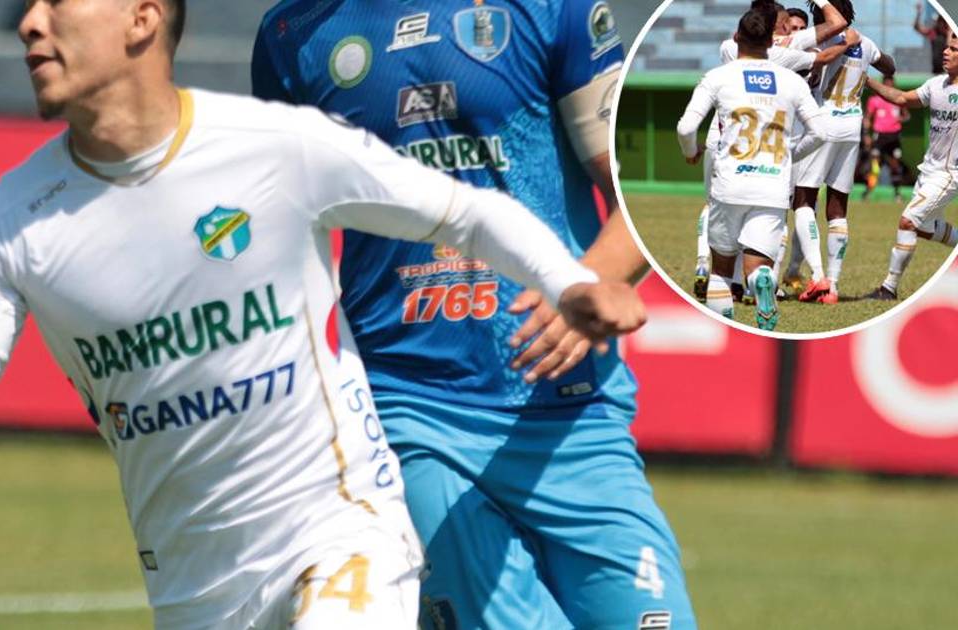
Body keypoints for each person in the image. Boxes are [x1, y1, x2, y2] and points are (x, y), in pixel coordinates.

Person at [0, 1, 648, 629]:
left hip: (344, 535)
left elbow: (467, 214)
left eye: (59, 2)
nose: (30, 22)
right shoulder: (8, 223)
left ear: (142, 20)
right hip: (196, 588)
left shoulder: (278, 145)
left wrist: (570, 283)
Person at [253, 1, 693, 628]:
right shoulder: (290, 35)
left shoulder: (553, 8)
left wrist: (585, 284)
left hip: (575, 418)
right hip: (408, 412)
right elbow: (279, 240)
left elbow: (652, 186)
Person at [678, 7, 832, 329]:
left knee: (722, 271)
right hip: (772, 187)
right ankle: (762, 279)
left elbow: (686, 127)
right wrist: (791, 154)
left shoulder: (718, 76)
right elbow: (820, 132)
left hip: (730, 184)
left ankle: (728, 328)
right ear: (771, 42)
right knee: (757, 266)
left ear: (737, 38)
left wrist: (691, 152)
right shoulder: (792, 81)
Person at [791, 0, 896, 304]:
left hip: (822, 123)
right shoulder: (865, 42)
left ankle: (817, 276)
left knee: (803, 200)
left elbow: (809, 72)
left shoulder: (821, 42)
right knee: (838, 207)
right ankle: (833, 287)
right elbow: (890, 66)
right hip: (851, 128)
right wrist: (868, 67)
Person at [865, 31, 958, 301]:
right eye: (947, 47)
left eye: (953, 49)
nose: (945, 52)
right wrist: (868, 81)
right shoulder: (936, 84)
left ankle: (888, 288)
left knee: (908, 221)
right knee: (924, 228)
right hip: (928, 170)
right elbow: (902, 98)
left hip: (949, 175)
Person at [863, 75, 912, 202]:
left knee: (895, 165)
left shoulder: (898, 99)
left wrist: (901, 118)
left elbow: (907, 116)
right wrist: (866, 135)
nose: (889, 87)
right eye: (887, 84)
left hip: (894, 135)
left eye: (891, 84)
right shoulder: (874, 100)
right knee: (875, 165)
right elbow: (867, 118)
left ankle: (897, 194)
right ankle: (867, 193)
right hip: (880, 136)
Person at [915, 2, 952, 74]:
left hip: (949, 68)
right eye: (939, 21)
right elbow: (917, 28)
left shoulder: (951, 34)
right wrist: (918, 13)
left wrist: (949, 31)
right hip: (937, 68)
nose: (940, 24)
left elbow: (949, 44)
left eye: (942, 22)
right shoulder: (934, 32)